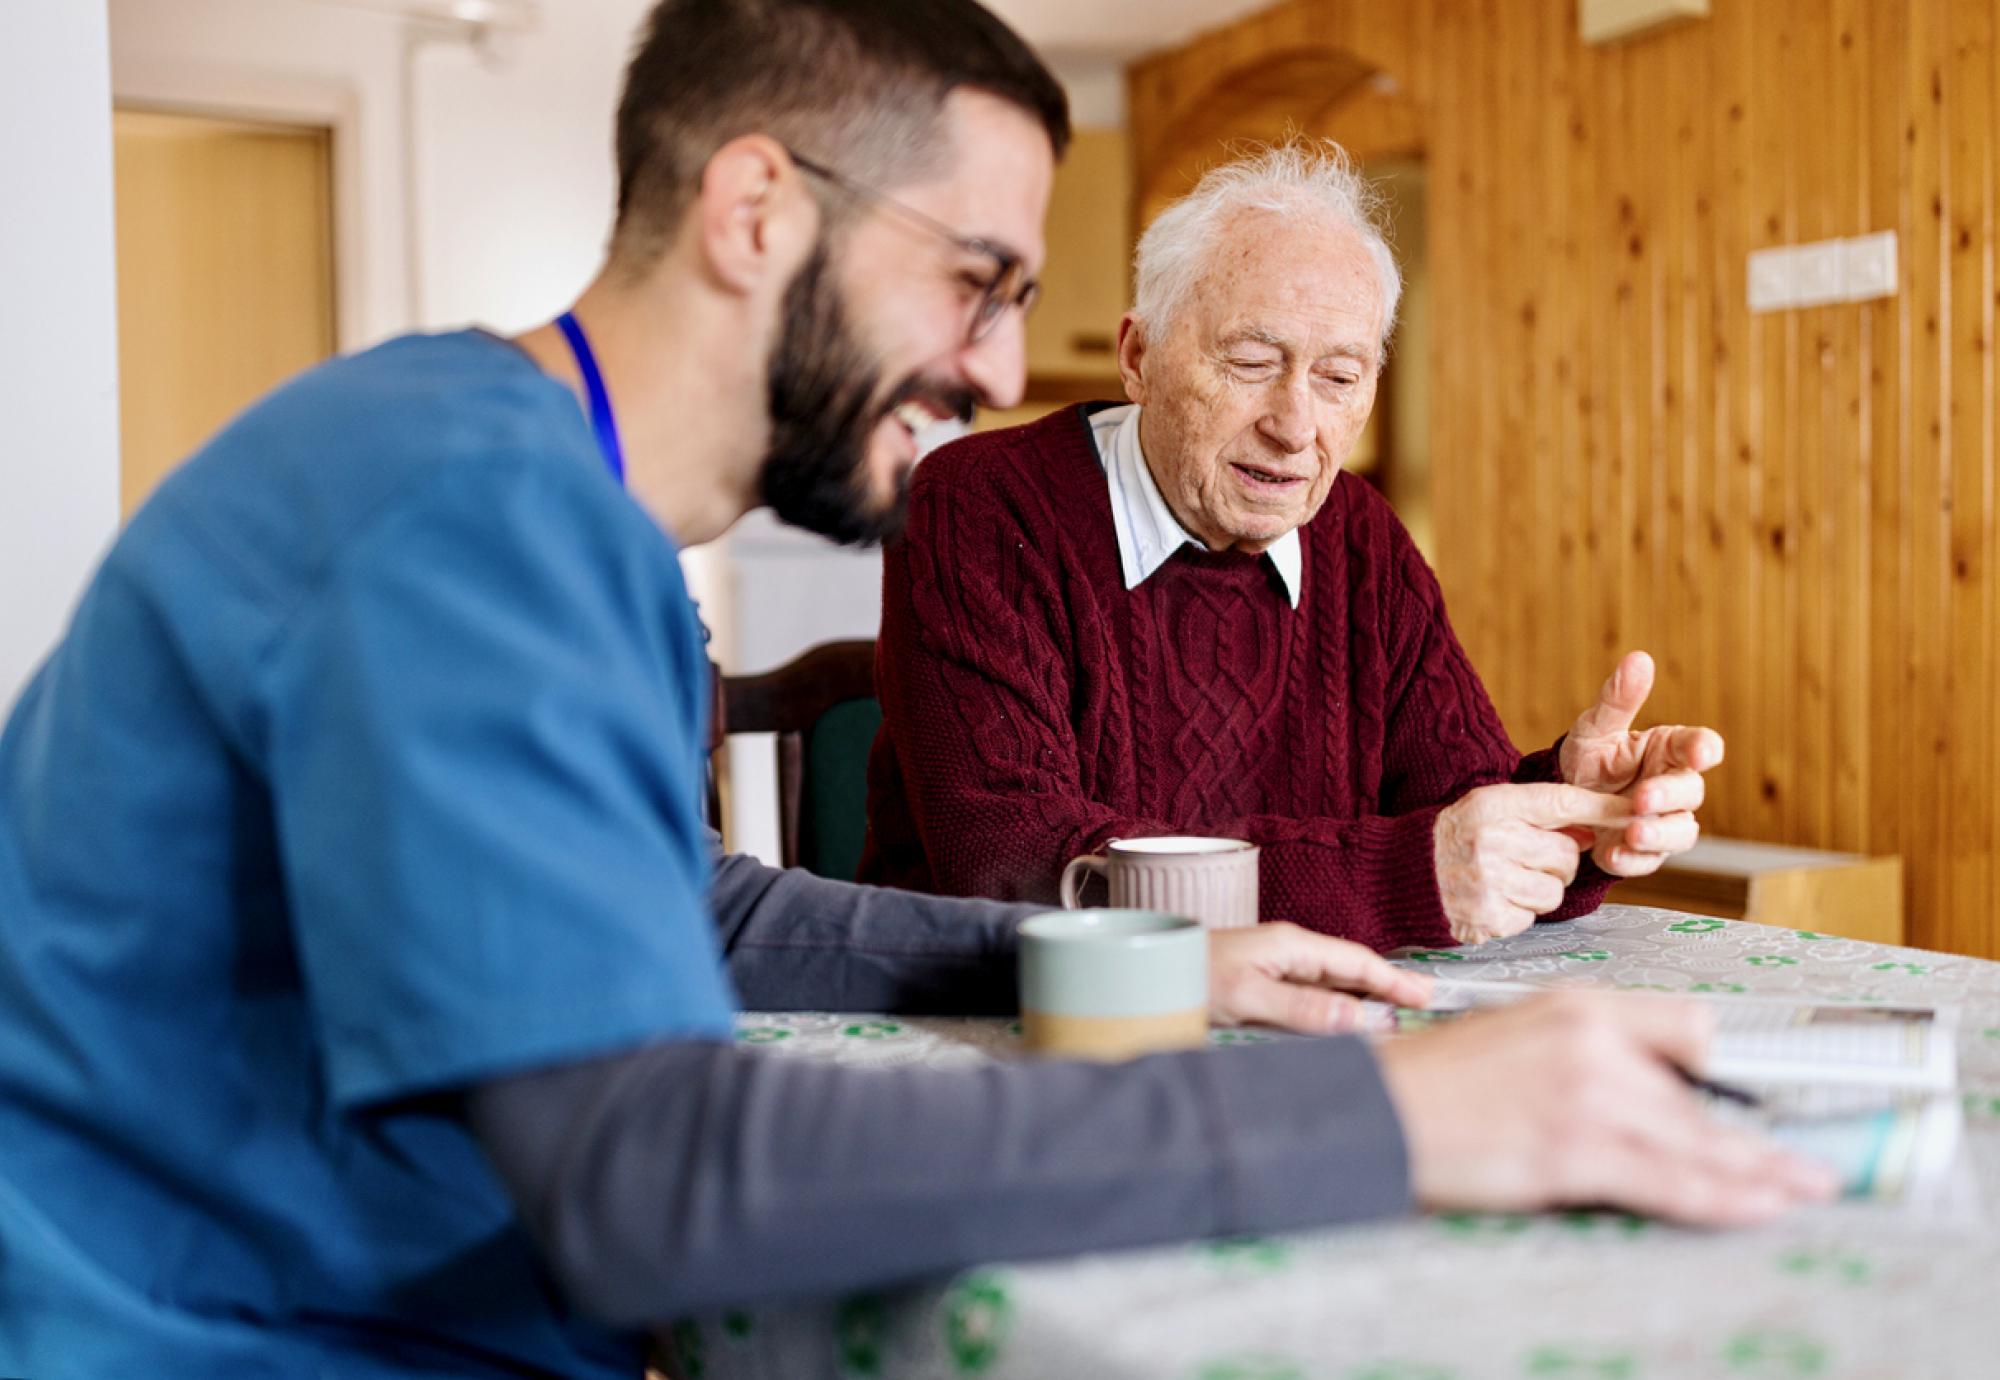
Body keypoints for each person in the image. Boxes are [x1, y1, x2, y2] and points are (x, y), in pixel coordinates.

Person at [0, 5, 1832, 1377]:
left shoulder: (555, 506)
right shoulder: (459, 513)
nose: (984, 366)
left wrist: (1102, 957)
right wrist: (1400, 1119)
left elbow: (692, 908)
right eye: (969, 282)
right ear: (754, 211)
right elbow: (651, 1178)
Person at [862, 142, 1725, 952]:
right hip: (1019, 1034)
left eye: (1339, 378)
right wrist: (1402, 874)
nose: (1294, 426)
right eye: (1249, 361)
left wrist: (1569, 814)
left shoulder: (1360, 535)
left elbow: (1453, 814)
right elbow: (1016, 863)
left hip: (1294, 1027)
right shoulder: (978, 506)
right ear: (1139, 356)